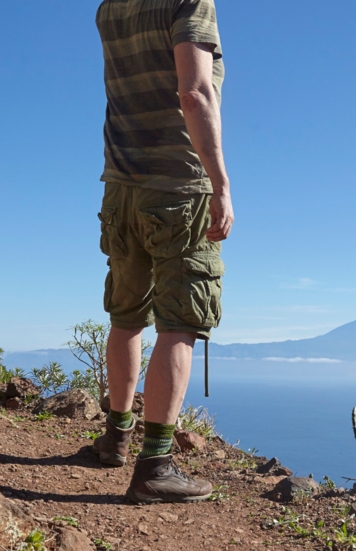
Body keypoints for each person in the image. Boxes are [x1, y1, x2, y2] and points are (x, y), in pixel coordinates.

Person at [92, 0, 233, 504]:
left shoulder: (112, 7)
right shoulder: (188, 2)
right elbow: (194, 93)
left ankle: (115, 437)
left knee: (126, 315)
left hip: (120, 185)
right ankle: (155, 465)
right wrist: (219, 184)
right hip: (177, 188)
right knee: (180, 321)